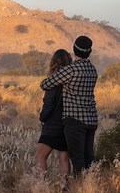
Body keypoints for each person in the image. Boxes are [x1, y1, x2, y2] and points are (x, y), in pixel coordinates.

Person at [40, 35, 98, 176]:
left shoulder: (71, 70)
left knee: (77, 160)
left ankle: (81, 191)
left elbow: (45, 84)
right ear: (89, 52)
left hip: (74, 121)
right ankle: (91, 186)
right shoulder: (93, 70)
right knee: (88, 158)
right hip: (91, 120)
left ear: (74, 50)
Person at [35, 49, 72, 176]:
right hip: (67, 122)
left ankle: (42, 186)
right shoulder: (71, 78)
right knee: (64, 158)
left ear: (53, 62)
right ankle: (64, 188)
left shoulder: (54, 80)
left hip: (53, 123)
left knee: (40, 156)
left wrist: (42, 117)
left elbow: (49, 103)